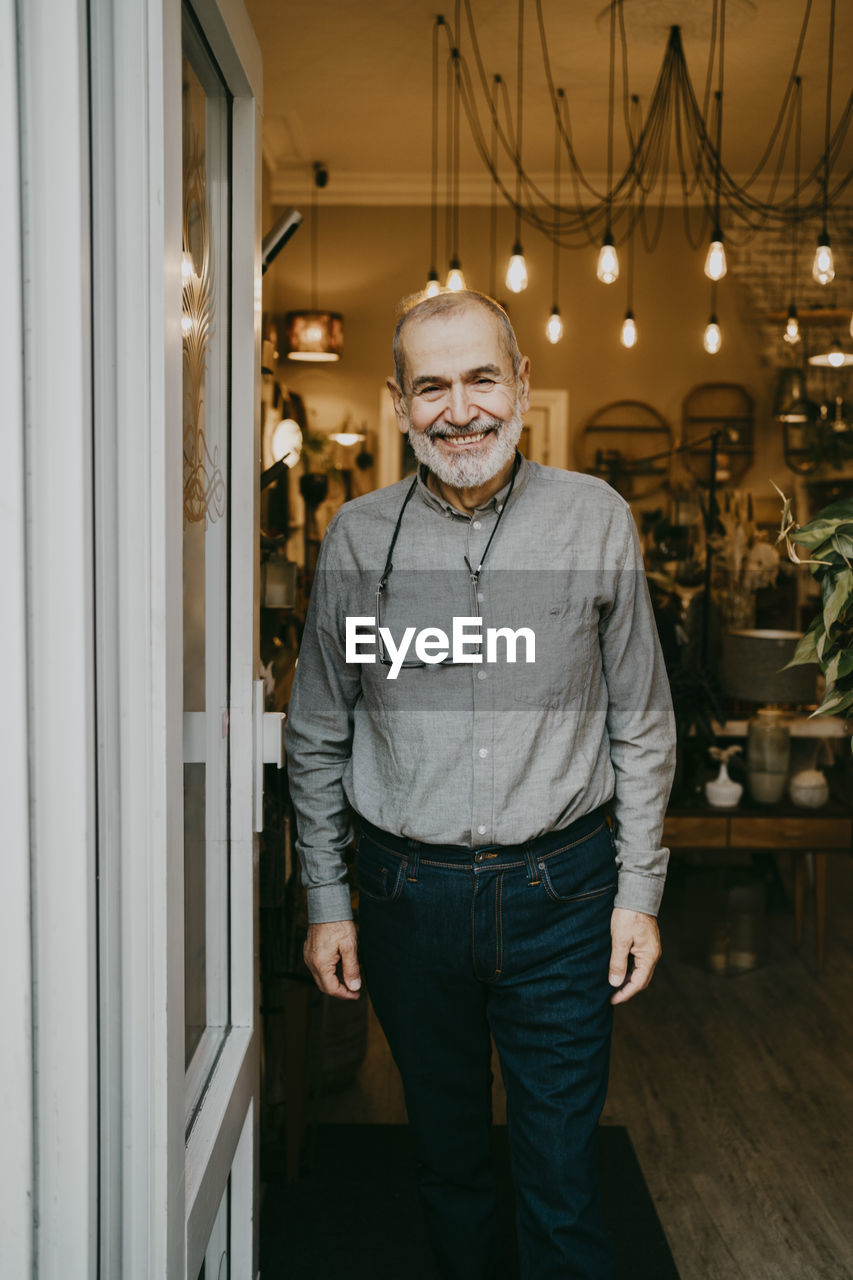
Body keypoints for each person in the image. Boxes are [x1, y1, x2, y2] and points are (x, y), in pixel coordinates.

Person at [284, 290, 676, 1279]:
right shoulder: (356, 538)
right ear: (399, 402)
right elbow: (320, 728)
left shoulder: (595, 518)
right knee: (445, 1161)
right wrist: (327, 900)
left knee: (560, 1173)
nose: (459, 409)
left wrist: (639, 891)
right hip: (408, 897)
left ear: (521, 384)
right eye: (432, 386)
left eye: (479, 378)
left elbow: (639, 716)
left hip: (565, 892)